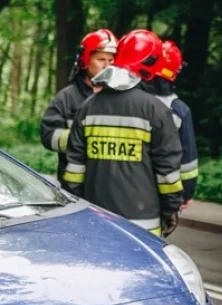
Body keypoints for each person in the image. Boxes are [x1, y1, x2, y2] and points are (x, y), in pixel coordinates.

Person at [64, 29, 184, 237]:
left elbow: (74, 171)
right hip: (143, 228)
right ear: (150, 65)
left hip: (96, 221)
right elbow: (168, 174)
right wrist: (171, 209)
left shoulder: (87, 107)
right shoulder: (156, 111)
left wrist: (77, 209)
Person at [41, 29, 118, 186]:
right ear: (85, 61)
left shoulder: (119, 97)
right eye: (101, 59)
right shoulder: (67, 98)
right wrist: (84, 139)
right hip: (75, 186)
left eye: (111, 61)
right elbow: (49, 136)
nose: (107, 66)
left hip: (111, 187)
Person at [146, 40, 199, 209]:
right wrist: (186, 193)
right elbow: (188, 161)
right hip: (165, 193)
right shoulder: (180, 110)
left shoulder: (133, 102)